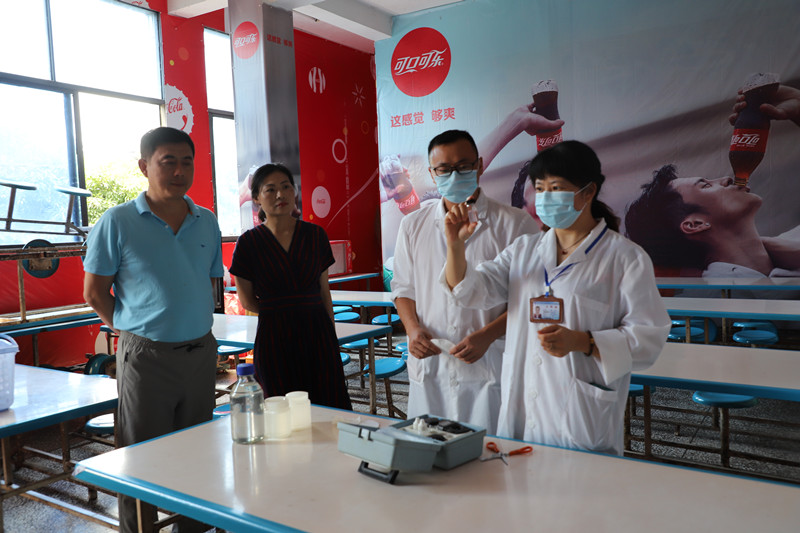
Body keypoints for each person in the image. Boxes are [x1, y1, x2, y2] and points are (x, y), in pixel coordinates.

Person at [442, 140, 670, 454]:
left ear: (588, 191)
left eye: (557, 188)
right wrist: (455, 246)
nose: (546, 197)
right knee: (520, 478)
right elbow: (470, 291)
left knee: (577, 481)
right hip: (523, 404)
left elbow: (648, 338)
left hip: (579, 412)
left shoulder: (625, 258)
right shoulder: (524, 250)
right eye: (540, 188)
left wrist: (583, 341)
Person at [83, 126, 223, 533]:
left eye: (187, 162)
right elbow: (94, 292)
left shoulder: (206, 221)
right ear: (145, 166)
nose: (179, 171)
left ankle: (193, 528)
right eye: (168, 162)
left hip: (200, 352)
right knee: (140, 456)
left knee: (198, 449)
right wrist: (132, 331)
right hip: (146, 357)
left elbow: (208, 281)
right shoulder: (118, 221)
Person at [391, 130, 538, 433]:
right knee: (429, 445)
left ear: (479, 165)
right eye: (444, 169)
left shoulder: (515, 224)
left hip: (489, 362)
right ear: (432, 173)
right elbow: (403, 289)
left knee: (492, 450)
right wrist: (412, 329)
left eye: (463, 166)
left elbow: (529, 299)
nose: (454, 175)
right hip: (432, 360)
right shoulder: (412, 225)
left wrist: (487, 335)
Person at [625, 83, 800, 277]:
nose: (726, 179)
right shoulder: (717, 294)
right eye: (706, 185)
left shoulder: (793, 242)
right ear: (695, 224)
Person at [229, 163, 352, 409]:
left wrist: (330, 335)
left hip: (317, 332)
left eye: (286, 187)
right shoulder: (248, 244)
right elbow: (247, 300)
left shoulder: (315, 235)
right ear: (256, 198)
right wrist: (280, 309)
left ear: (294, 191)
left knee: (328, 402)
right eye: (270, 189)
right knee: (281, 406)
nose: (280, 195)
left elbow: (324, 292)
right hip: (274, 336)